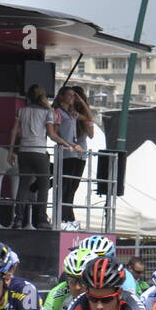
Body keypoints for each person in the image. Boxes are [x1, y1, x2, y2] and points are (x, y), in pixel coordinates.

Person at [8, 84, 81, 230]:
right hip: (39, 152)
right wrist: (69, 145)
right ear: (42, 96)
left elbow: (14, 131)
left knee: (23, 185)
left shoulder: (21, 111)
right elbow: (52, 134)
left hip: (23, 151)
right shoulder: (47, 112)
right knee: (43, 185)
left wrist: (11, 151)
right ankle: (41, 219)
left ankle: (18, 219)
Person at [53, 87, 93, 230]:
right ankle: (64, 217)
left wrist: (81, 100)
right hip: (66, 152)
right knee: (65, 185)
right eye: (69, 95)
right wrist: (66, 144)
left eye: (73, 96)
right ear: (62, 96)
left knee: (72, 186)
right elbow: (55, 133)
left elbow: (89, 117)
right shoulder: (58, 112)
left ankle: (68, 217)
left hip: (75, 152)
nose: (72, 98)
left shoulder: (72, 114)